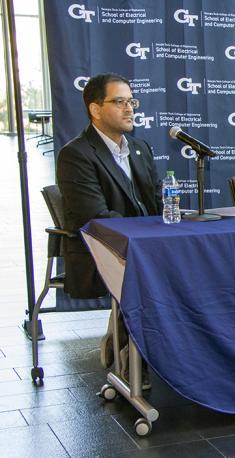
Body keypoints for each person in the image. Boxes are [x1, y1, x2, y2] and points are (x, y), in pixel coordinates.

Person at [57, 73, 161, 371]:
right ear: (95, 109)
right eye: (119, 102)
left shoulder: (140, 149)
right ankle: (133, 346)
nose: (129, 109)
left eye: (131, 101)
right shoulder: (76, 154)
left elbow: (156, 202)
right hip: (102, 249)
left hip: (144, 245)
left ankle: (141, 343)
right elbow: (96, 219)